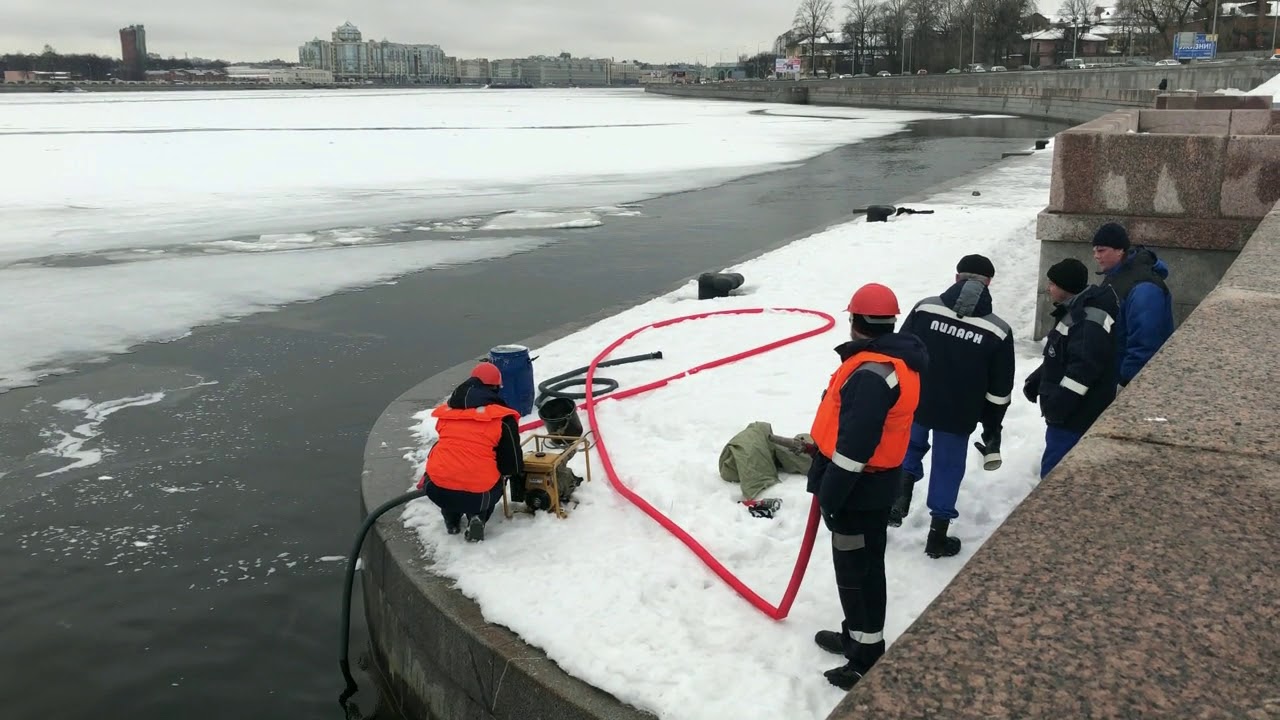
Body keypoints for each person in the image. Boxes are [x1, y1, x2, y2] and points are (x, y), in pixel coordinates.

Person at [806, 282, 929, 691]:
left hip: (857, 492)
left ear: (856, 322)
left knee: (859, 574)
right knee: (860, 568)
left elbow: (856, 448)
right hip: (871, 485)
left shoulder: (872, 374)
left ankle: (865, 657)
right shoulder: (891, 362)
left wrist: (831, 495)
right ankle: (854, 634)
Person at [890, 254, 1015, 559]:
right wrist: (991, 426)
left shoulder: (925, 308)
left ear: (956, 277)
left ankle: (897, 502)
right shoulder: (998, 330)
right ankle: (937, 537)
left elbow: (899, 353)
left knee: (909, 448)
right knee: (948, 467)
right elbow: (999, 390)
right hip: (959, 414)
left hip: (918, 401)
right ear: (988, 283)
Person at [1024, 259, 1120, 478]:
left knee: (1055, 476)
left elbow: (1082, 370)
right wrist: (1039, 378)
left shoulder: (1086, 320)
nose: (1049, 288)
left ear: (1065, 287)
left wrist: (1059, 405)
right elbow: (1062, 355)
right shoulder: (1074, 311)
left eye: (1052, 284)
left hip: (1074, 417)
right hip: (1070, 414)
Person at [417, 361, 524, 542]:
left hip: (436, 489)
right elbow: (511, 464)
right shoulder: (502, 419)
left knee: (450, 468)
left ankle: (451, 519)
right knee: (492, 478)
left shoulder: (447, 414)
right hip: (479, 496)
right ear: (495, 388)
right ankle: (478, 517)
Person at [1092, 222, 1174, 388]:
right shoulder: (1117, 274)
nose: (1096, 255)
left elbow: (1144, 344)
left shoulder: (1144, 289)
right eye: (1094, 250)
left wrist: (1126, 383)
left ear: (1120, 250)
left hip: (1132, 381)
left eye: (1101, 250)